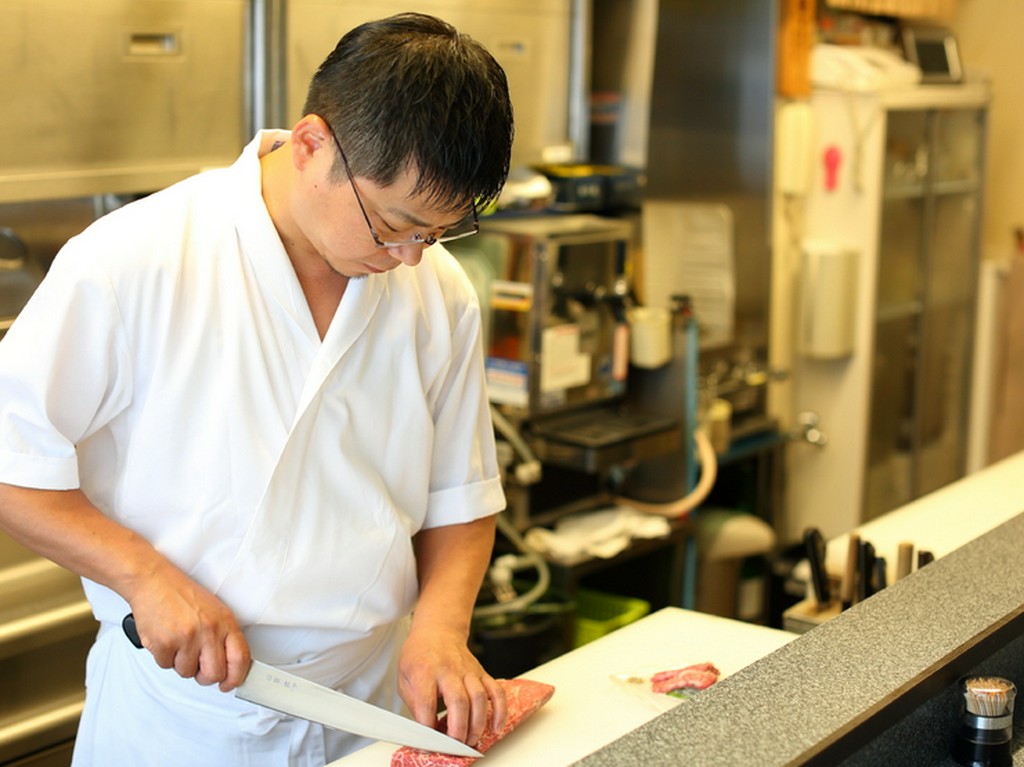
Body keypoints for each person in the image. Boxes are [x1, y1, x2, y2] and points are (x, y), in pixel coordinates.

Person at [0, 12, 514, 766]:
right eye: (393, 224)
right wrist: (144, 576)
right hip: (184, 720)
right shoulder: (133, 260)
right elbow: (13, 466)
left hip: (371, 704)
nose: (410, 258)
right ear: (311, 144)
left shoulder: (439, 293)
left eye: (436, 234)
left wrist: (441, 626)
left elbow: (461, 499)